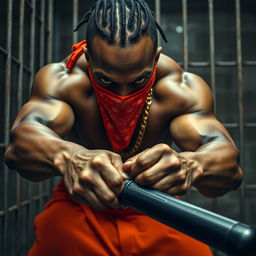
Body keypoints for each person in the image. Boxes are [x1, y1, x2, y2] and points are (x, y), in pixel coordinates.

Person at [4, 0, 243, 255]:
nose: (123, 94)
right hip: (81, 207)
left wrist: (192, 165)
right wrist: (67, 157)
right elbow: (21, 143)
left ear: (156, 57)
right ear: (88, 57)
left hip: (157, 208)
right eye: (105, 79)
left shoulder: (180, 89)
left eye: (139, 79)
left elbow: (228, 163)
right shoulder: (65, 80)